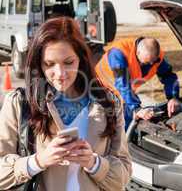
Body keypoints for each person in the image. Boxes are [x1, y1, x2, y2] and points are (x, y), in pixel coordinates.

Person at [0, 17, 131, 191]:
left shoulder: (110, 103)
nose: (60, 73)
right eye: (49, 64)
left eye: (68, 63)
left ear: (81, 59)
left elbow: (123, 177)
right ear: (39, 64)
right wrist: (39, 161)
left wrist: (94, 163)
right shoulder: (19, 103)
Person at [95, 37, 180, 130]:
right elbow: (123, 84)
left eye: (152, 62)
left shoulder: (157, 58)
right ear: (138, 52)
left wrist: (173, 97)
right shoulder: (118, 53)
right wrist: (137, 108)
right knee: (106, 126)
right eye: (146, 62)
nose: (151, 64)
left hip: (122, 94)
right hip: (99, 89)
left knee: (126, 123)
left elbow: (168, 76)